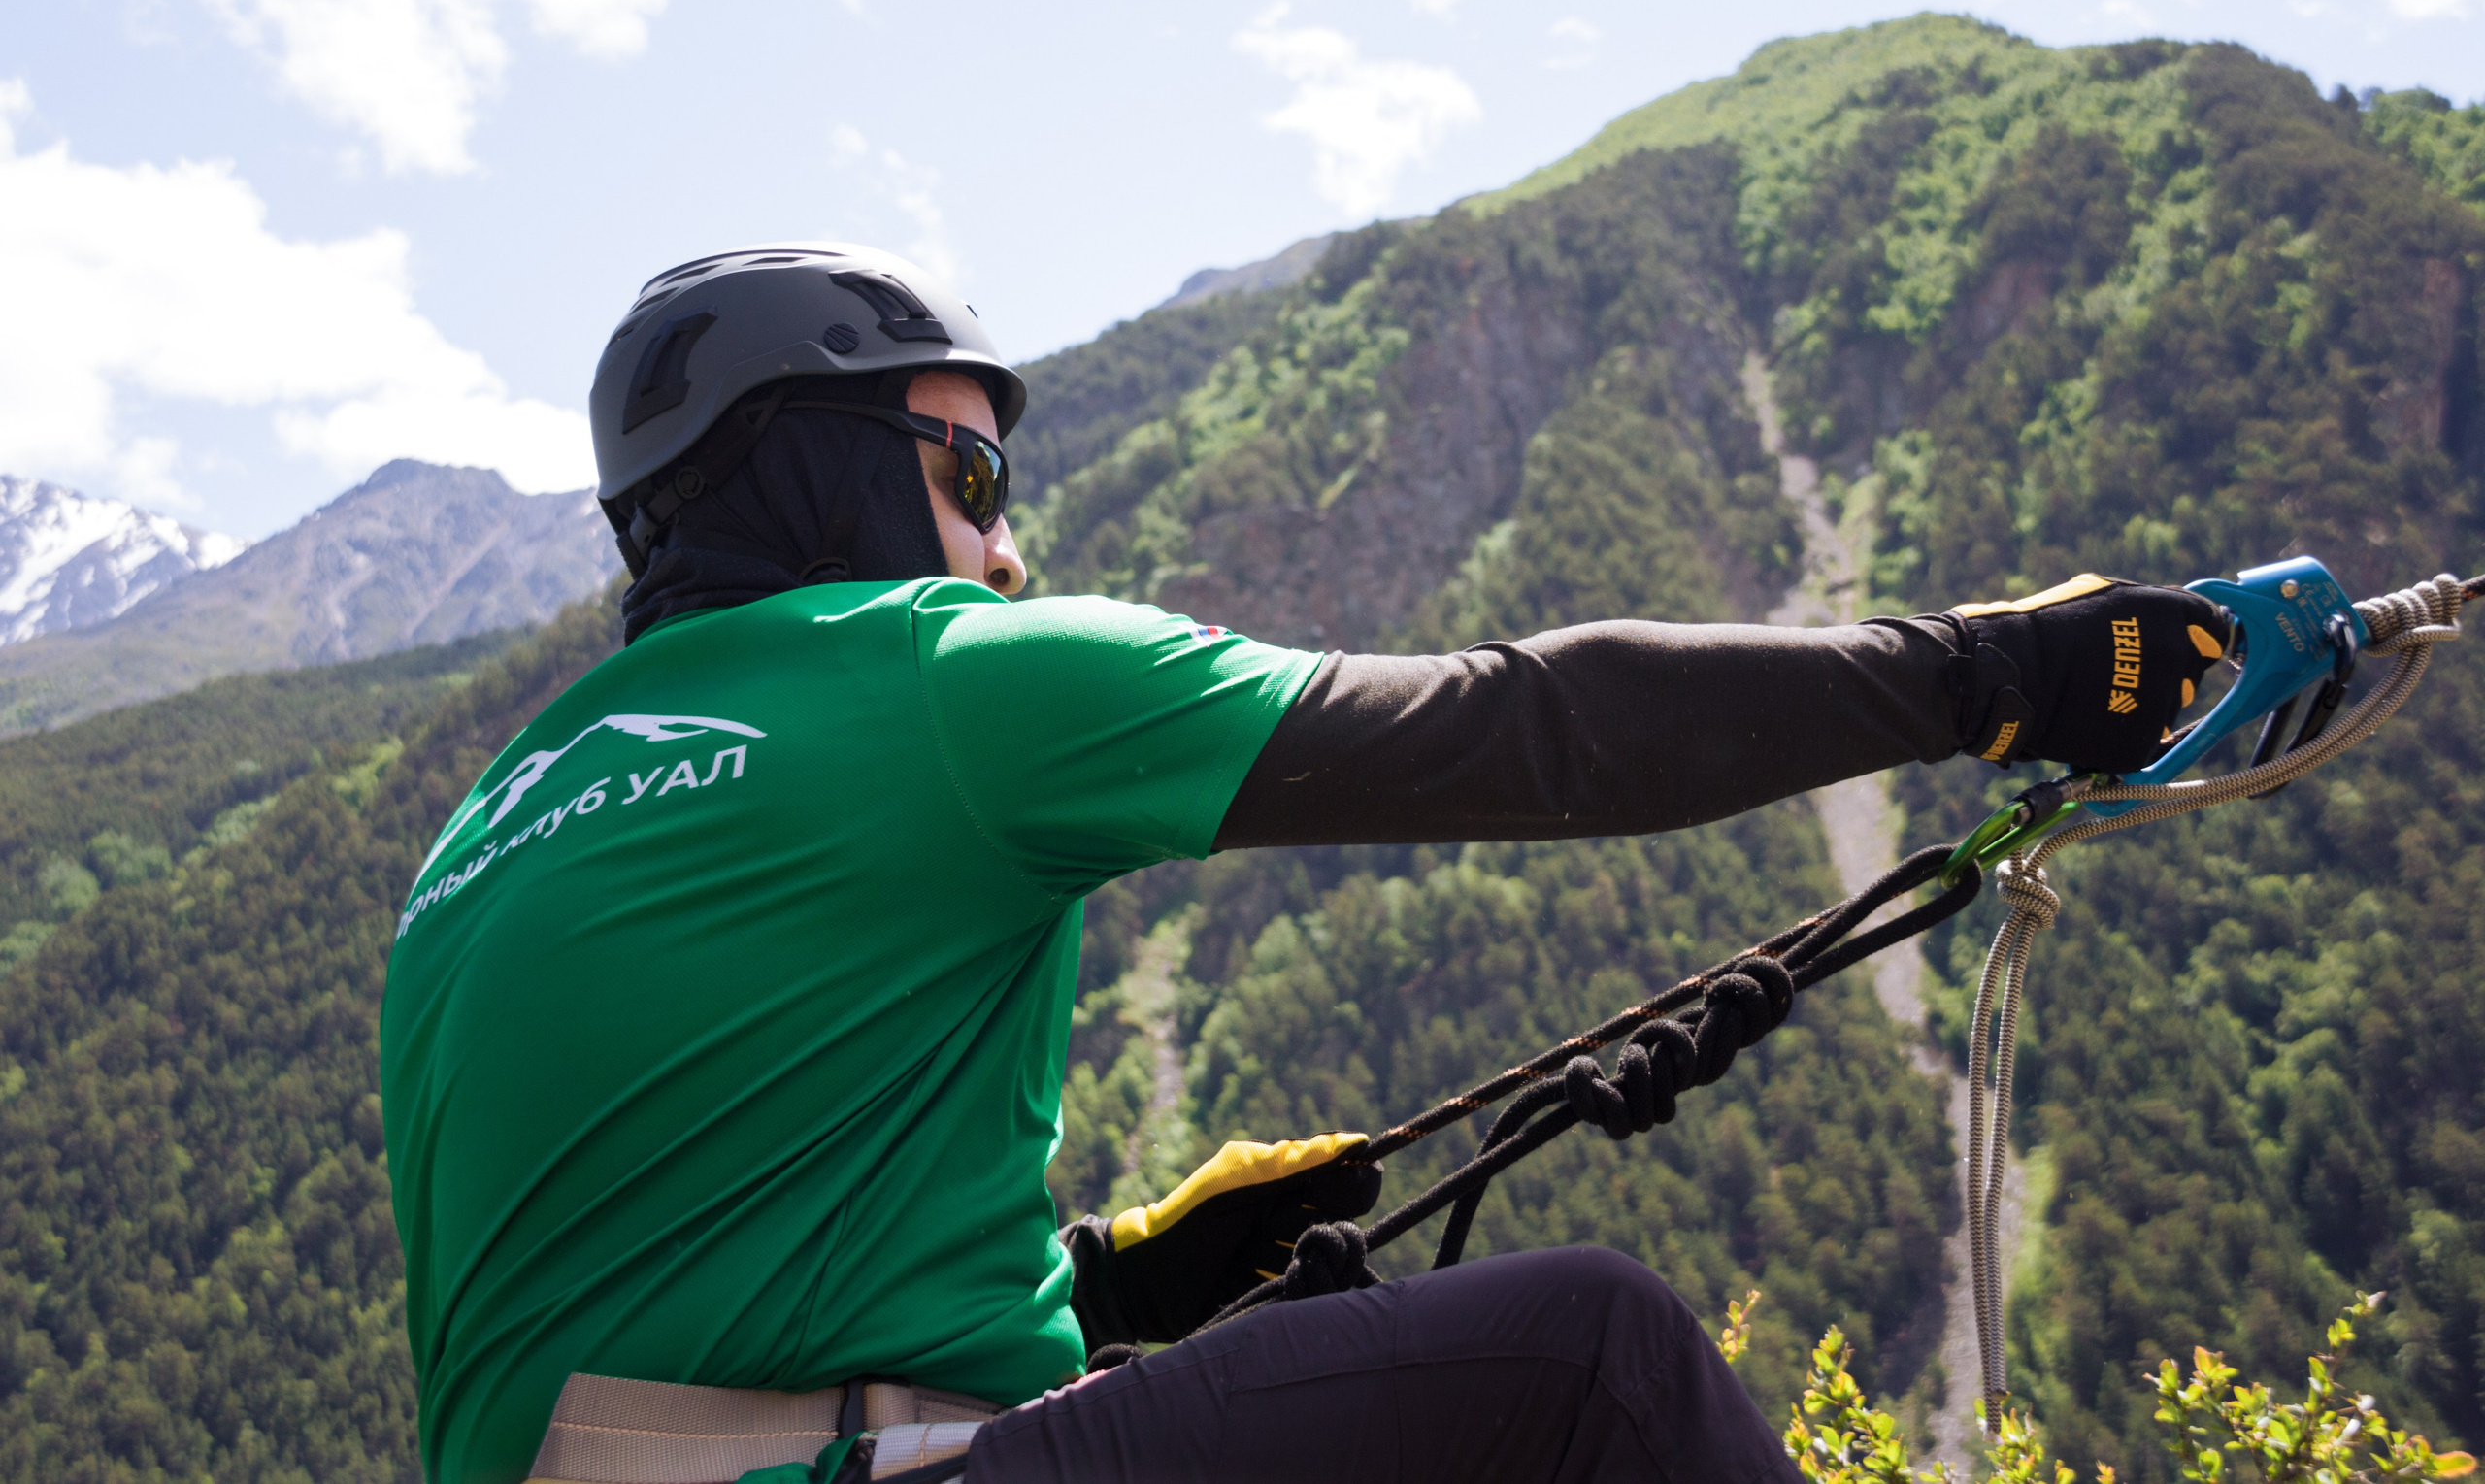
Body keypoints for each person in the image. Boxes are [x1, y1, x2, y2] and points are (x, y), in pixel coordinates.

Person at [380, 247, 2232, 1484]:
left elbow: (673, 1255)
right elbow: (1535, 727)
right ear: (827, 471)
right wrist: (1997, 675)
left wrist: (1110, 1282)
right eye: (973, 477)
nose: (1007, 551)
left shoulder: (485, 831)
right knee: (1588, 1355)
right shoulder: (938, 680)